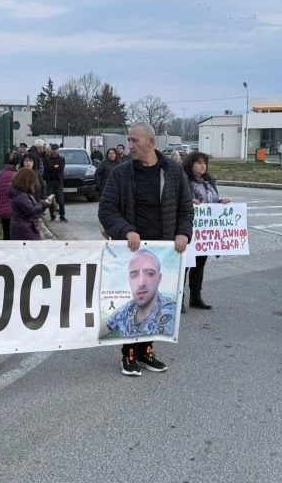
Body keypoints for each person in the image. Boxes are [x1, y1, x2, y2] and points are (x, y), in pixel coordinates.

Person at [99, 123, 193, 376]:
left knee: (154, 301)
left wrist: (183, 232)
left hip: (164, 252)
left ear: (150, 142)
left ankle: (146, 350)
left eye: (134, 141)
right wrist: (126, 230)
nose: (129, 146)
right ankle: (128, 353)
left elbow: (186, 207)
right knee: (132, 301)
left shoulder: (173, 172)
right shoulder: (120, 173)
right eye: (128, 140)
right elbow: (106, 209)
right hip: (132, 251)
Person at [182, 151, 231, 311]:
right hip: (188, 229)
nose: (203, 166)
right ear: (191, 164)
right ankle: (178, 300)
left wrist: (220, 202)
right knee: (185, 265)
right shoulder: (183, 181)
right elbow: (175, 200)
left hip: (205, 233)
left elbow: (211, 202)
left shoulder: (208, 182)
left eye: (205, 163)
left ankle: (196, 298)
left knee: (199, 264)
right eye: (199, 162)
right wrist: (189, 202)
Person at [104, 250, 178, 339]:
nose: (141, 283)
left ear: (159, 278)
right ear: (129, 280)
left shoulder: (169, 310)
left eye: (150, 274)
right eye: (134, 275)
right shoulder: (126, 310)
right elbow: (96, 332)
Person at [10, 167, 52, 240]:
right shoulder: (21, 195)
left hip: (23, 227)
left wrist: (43, 203)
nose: (33, 183)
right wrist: (45, 203)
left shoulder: (21, 192)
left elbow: (30, 207)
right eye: (32, 180)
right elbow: (31, 210)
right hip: (24, 229)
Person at [0, 152, 19, 240]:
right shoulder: (17, 175)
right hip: (12, 212)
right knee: (13, 236)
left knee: (6, 233)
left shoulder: (0, 173)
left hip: (1, 210)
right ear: (17, 164)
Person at [43, 143, 67, 222]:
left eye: (56, 149)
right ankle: (52, 215)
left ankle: (62, 216)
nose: (54, 151)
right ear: (51, 150)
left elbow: (60, 169)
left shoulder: (62, 159)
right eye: (53, 149)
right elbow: (47, 168)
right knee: (50, 199)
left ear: (58, 150)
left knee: (61, 199)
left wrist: (53, 167)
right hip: (50, 181)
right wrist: (54, 167)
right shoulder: (46, 159)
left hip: (58, 181)